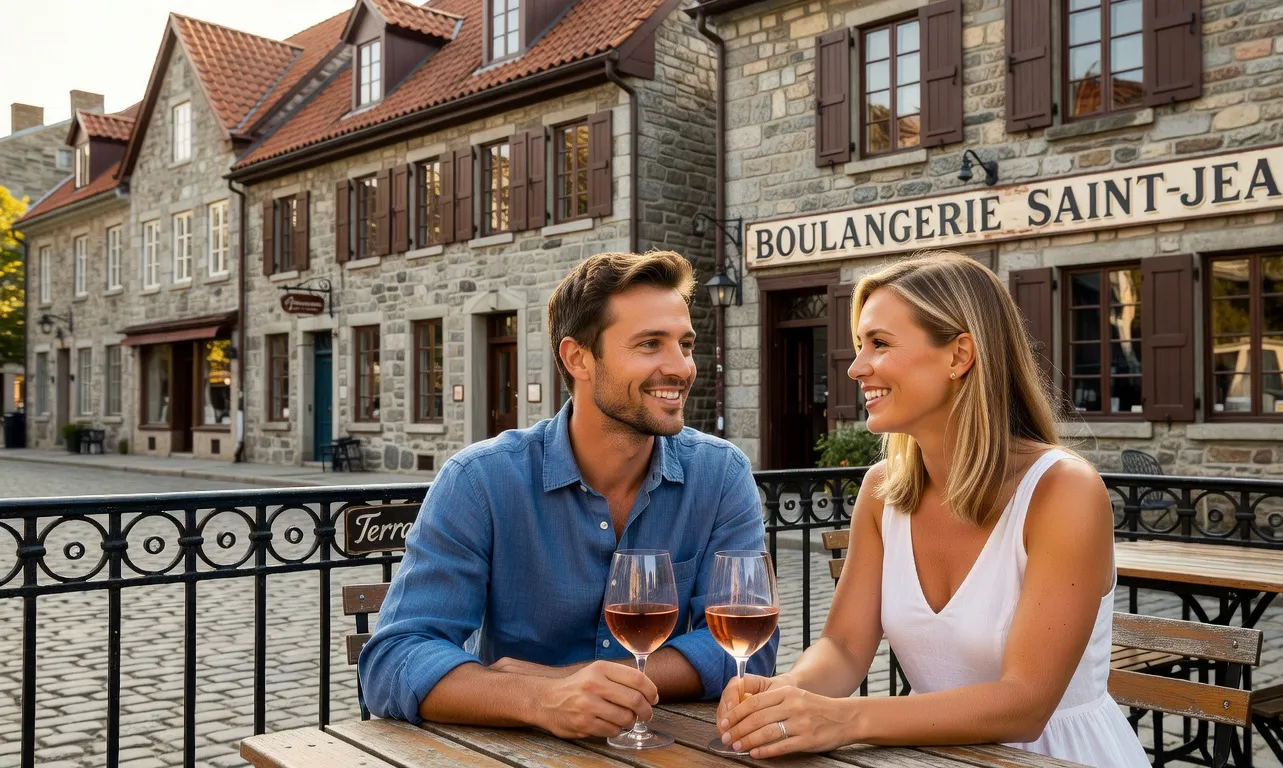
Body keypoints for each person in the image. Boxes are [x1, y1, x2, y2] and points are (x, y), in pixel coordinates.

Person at [714, 252, 1148, 767]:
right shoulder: (883, 491)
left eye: (879, 343)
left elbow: (1026, 703)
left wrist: (844, 720)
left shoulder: (1063, 490)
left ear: (959, 355)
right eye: (859, 344)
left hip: (1059, 758)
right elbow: (844, 648)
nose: (855, 367)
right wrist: (786, 693)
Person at [360, 250, 777, 737]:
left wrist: (574, 680)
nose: (681, 367)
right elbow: (394, 659)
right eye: (650, 344)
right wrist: (539, 700)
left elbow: (747, 653)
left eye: (685, 345)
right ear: (577, 358)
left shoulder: (720, 474)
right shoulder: (480, 481)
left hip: (664, 748)